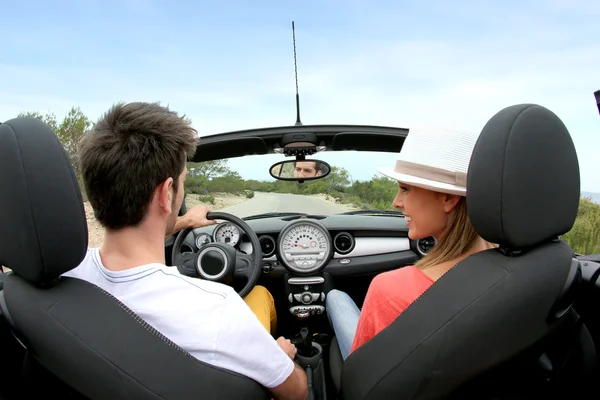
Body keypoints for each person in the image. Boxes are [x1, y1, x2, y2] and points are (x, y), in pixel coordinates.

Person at [62, 102, 308, 400]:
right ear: (167, 194)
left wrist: (183, 222)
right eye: (182, 183)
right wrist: (280, 356)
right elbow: (296, 391)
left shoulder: (61, 278)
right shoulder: (219, 309)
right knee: (258, 296)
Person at [325, 125, 496, 360]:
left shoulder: (389, 291)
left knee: (335, 298)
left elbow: (361, 378)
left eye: (405, 189)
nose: (396, 202)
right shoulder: (519, 271)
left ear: (449, 198)